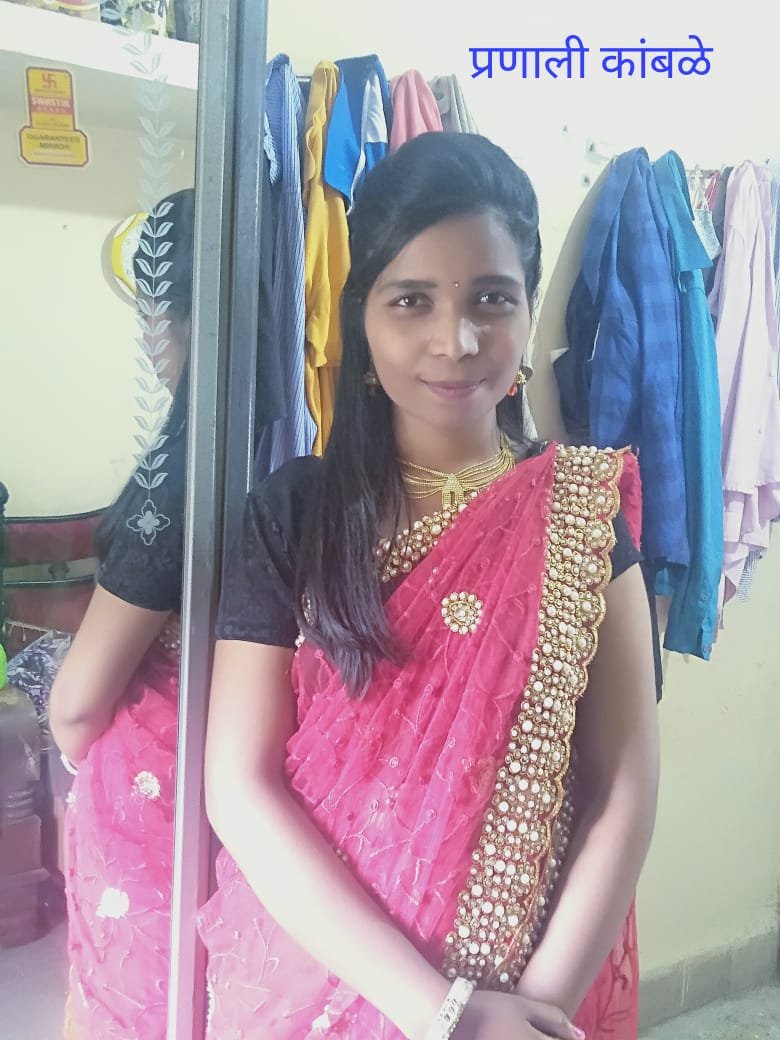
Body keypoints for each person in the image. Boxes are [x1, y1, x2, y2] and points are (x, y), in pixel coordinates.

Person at [198, 132, 659, 1040]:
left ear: (529, 312)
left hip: (532, 983)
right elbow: (240, 783)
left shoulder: (581, 509)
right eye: (412, 300)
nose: (457, 339)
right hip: (315, 979)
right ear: (363, 322)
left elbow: (624, 783)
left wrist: (530, 1016)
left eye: (492, 298)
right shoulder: (296, 512)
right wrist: (443, 1014)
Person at [49, 189, 195, 1040]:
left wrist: (79, 754)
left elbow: (77, 704)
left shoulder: (175, 480)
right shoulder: (301, 441)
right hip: (245, 776)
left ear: (170, 320)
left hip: (156, 792)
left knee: (143, 1000)